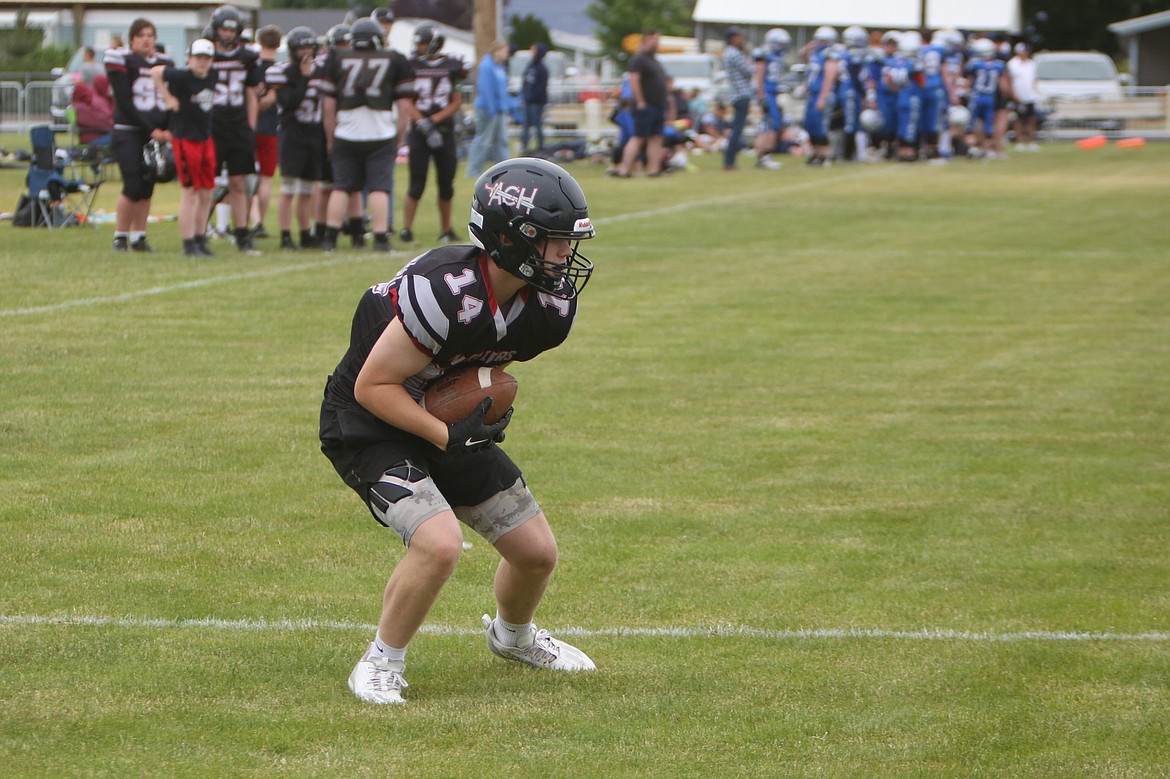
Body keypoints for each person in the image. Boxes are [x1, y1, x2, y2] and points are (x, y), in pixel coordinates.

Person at [319, 157, 598, 706]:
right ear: (511, 240)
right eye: (554, 240)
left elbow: (473, 374)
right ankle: (380, 661)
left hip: (442, 420)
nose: (566, 254)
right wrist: (446, 434)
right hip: (370, 421)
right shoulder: (445, 290)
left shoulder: (549, 307)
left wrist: (477, 408)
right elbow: (373, 386)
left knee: (536, 552)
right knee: (439, 543)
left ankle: (513, 637)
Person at [318, 17, 413, 253]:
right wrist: (400, 136)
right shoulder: (394, 59)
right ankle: (380, 239)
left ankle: (330, 239)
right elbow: (404, 106)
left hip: (346, 131)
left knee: (341, 186)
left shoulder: (337, 58)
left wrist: (330, 136)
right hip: (380, 132)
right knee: (379, 187)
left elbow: (328, 106)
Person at [104, 18, 173, 253]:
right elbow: (124, 101)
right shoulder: (121, 58)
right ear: (132, 38)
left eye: (150, 35)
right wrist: (151, 129)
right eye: (141, 35)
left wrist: (168, 128)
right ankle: (120, 237)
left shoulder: (164, 63)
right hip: (128, 130)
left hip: (155, 131)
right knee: (133, 183)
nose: (146, 39)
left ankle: (138, 237)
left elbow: (171, 99)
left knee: (148, 184)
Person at [399, 23, 467, 245]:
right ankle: (406, 229)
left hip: (444, 130)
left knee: (446, 182)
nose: (419, 46)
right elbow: (406, 99)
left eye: (423, 42)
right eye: (417, 42)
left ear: (434, 43)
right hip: (420, 132)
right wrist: (423, 123)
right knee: (416, 182)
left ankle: (446, 229)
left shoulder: (452, 66)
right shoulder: (411, 66)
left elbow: (457, 101)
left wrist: (434, 121)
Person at [153, 39, 219, 257]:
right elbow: (156, 72)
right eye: (198, 58)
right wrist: (168, 96)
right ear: (190, 58)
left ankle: (200, 238)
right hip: (185, 138)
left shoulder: (212, 75)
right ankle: (188, 242)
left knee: (207, 191)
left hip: (205, 137)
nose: (202, 62)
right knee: (190, 191)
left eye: (206, 58)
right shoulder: (181, 75)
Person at [264, 25, 325, 251]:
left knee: (308, 190)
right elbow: (290, 104)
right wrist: (305, 78)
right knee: (289, 190)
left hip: (314, 132)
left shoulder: (321, 69)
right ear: (292, 50)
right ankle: (285, 235)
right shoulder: (282, 71)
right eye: (302, 48)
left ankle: (305, 232)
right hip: (292, 133)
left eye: (310, 47)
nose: (306, 53)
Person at [207, 5, 262, 254]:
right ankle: (198, 233)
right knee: (208, 184)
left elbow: (251, 94)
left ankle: (242, 234)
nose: (227, 33)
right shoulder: (205, 52)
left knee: (239, 183)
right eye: (223, 28)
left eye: (231, 29)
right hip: (212, 124)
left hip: (238, 125)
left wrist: (250, 127)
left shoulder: (248, 57)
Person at [615, 30, 668, 177]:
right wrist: (640, 101)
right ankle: (624, 169)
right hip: (645, 105)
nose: (655, 42)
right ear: (644, 41)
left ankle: (653, 169)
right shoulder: (638, 59)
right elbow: (634, 80)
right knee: (638, 137)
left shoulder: (654, 60)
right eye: (652, 39)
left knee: (656, 137)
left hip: (658, 104)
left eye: (657, 39)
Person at [248, 24, 282, 239]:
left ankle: (256, 220)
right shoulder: (280, 69)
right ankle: (260, 220)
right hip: (270, 128)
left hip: (249, 127)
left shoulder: (252, 67)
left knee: (250, 177)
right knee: (266, 178)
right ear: (278, 44)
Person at [465, 40, 511, 178]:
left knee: (501, 141)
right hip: (488, 109)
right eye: (504, 51)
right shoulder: (486, 65)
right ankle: (473, 171)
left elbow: (502, 89)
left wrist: (508, 106)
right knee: (483, 140)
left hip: (500, 110)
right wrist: (491, 109)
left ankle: (507, 170)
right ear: (497, 51)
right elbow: (485, 89)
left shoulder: (500, 66)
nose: (506, 54)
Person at [801, 26, 842, 166]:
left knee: (822, 126)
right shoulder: (815, 54)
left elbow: (830, 77)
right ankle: (815, 153)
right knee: (810, 125)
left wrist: (823, 97)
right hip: (812, 94)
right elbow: (803, 57)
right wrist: (807, 48)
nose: (821, 42)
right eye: (820, 40)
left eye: (824, 40)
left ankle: (825, 155)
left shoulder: (831, 54)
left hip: (822, 94)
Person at [753, 28, 789, 170]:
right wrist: (762, 96)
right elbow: (759, 77)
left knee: (772, 125)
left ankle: (764, 156)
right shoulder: (764, 54)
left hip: (772, 93)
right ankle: (764, 156)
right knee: (771, 125)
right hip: (767, 93)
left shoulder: (776, 55)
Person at [721, 27, 753, 171]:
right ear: (733, 38)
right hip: (741, 94)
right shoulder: (734, 54)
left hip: (737, 94)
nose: (743, 40)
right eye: (740, 37)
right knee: (737, 129)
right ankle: (729, 161)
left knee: (736, 128)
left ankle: (729, 159)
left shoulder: (729, 53)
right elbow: (749, 71)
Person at [1007, 42, 1039, 151]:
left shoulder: (1031, 64)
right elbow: (1010, 81)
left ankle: (1031, 141)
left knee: (1032, 119)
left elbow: (1034, 80)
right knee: (1019, 119)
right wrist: (1013, 94)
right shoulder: (1012, 64)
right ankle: (1019, 141)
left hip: (1030, 96)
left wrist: (1036, 93)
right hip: (1018, 96)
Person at [520, 43, 549, 152]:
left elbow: (541, 87)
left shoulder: (542, 69)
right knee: (526, 125)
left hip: (536, 102)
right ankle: (524, 146)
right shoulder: (530, 65)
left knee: (537, 125)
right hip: (527, 101)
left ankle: (540, 147)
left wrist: (531, 97)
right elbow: (525, 81)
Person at [72, 72, 114, 148]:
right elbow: (106, 121)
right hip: (94, 138)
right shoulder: (95, 102)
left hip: (98, 136)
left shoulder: (102, 100)